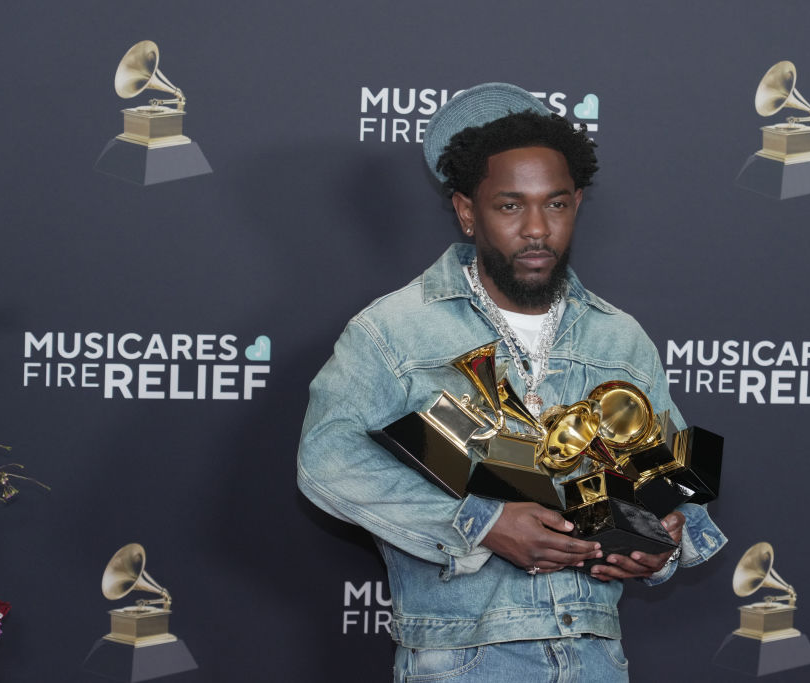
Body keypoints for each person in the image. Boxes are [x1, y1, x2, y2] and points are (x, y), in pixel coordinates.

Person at [298, 82, 726, 682]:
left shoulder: (619, 337)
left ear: (576, 204)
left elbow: (671, 479)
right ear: (467, 211)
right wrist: (484, 525)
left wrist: (662, 539)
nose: (536, 229)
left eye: (555, 204)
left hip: (596, 656)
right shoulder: (392, 330)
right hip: (460, 659)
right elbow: (327, 460)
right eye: (509, 205)